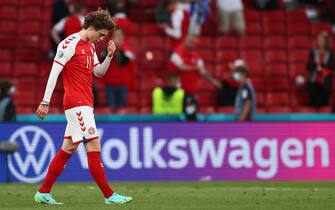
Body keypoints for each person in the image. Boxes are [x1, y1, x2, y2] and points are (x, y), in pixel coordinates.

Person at [35, 9, 132, 205]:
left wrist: (110, 57)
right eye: (101, 34)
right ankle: (109, 195)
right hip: (76, 103)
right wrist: (45, 101)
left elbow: (98, 73)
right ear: (92, 27)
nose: (101, 39)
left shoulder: (90, 47)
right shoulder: (69, 44)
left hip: (85, 103)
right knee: (94, 145)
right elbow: (54, 73)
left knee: (67, 149)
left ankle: (43, 192)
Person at [103, 28, 135, 109]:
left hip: (123, 84)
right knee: (111, 108)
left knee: (122, 108)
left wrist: (120, 48)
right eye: (115, 36)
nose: (118, 38)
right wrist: (112, 49)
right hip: (110, 83)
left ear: (123, 37)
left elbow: (126, 59)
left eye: (120, 36)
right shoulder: (107, 48)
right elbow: (102, 58)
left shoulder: (127, 48)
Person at [306, 31, 335, 107]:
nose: (319, 42)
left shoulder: (330, 53)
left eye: (321, 40)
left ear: (325, 41)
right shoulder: (313, 52)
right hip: (314, 81)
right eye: (318, 40)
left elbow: (332, 67)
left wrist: (322, 65)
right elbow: (308, 66)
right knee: (315, 103)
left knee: (324, 104)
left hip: (325, 82)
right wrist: (315, 63)